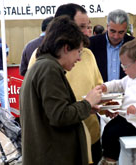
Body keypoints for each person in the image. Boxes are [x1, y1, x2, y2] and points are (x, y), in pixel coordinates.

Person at [19, 15, 102, 165]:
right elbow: (60, 116)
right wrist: (87, 103)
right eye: (79, 52)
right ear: (66, 48)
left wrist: (86, 109)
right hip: (53, 157)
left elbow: (51, 112)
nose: (79, 59)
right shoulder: (48, 69)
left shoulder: (43, 66)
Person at [89, 9, 134, 82]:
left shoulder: (133, 44)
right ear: (107, 27)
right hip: (99, 91)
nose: (116, 36)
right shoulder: (92, 43)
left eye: (121, 32)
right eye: (112, 31)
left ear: (126, 30)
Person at [0, 38, 11, 114]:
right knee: (4, 96)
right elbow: (6, 59)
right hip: (0, 72)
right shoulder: (2, 42)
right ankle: (7, 118)